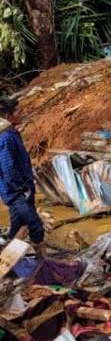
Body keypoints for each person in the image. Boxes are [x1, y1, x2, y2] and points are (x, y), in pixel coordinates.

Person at [0, 98, 45, 258]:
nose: (23, 114)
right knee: (36, 226)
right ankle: (42, 263)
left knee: (18, 225)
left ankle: (7, 259)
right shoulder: (6, 138)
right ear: (9, 117)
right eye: (19, 112)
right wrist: (22, 188)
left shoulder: (12, 134)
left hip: (17, 190)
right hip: (17, 192)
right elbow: (8, 167)